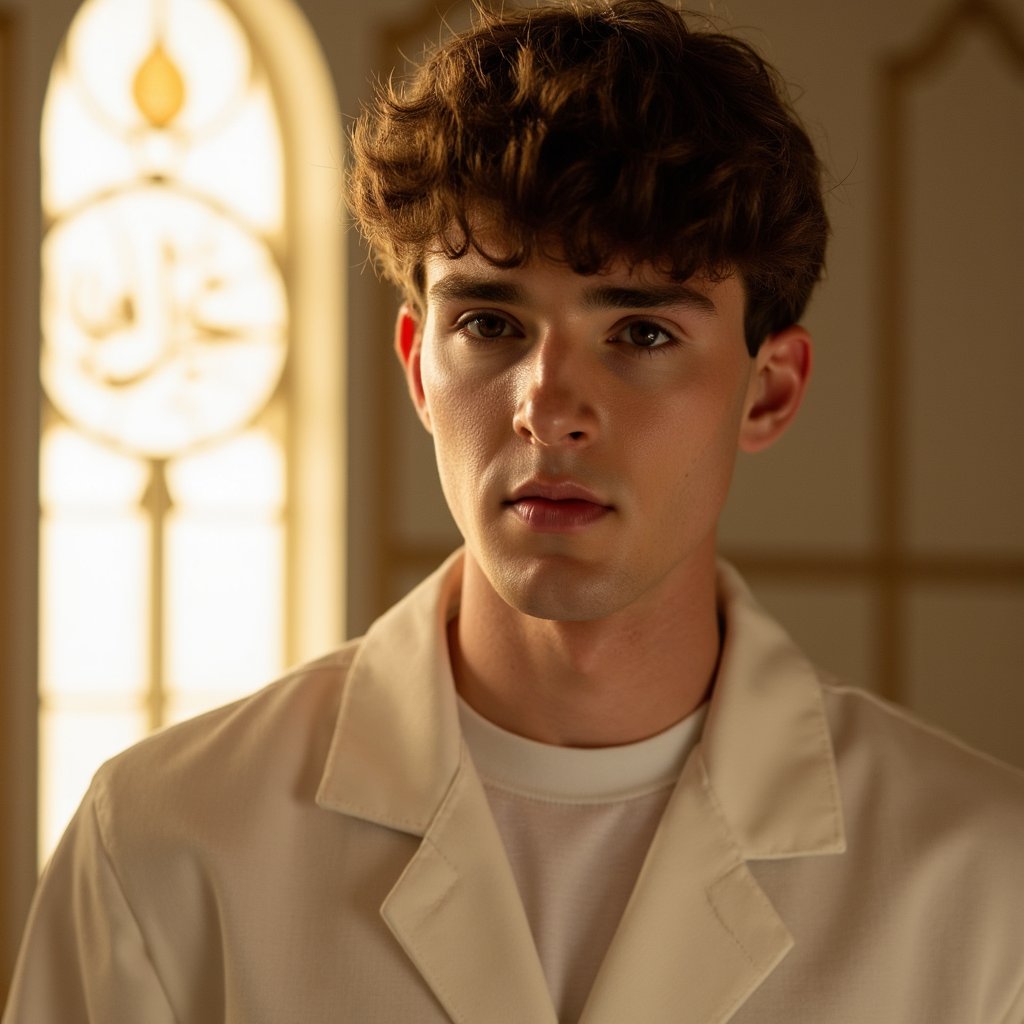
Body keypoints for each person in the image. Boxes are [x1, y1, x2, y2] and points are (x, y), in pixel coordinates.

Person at [5, 1, 1024, 1021]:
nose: (548, 407)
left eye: (641, 332)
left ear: (768, 390)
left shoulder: (981, 882)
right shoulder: (162, 844)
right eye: (490, 322)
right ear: (416, 369)